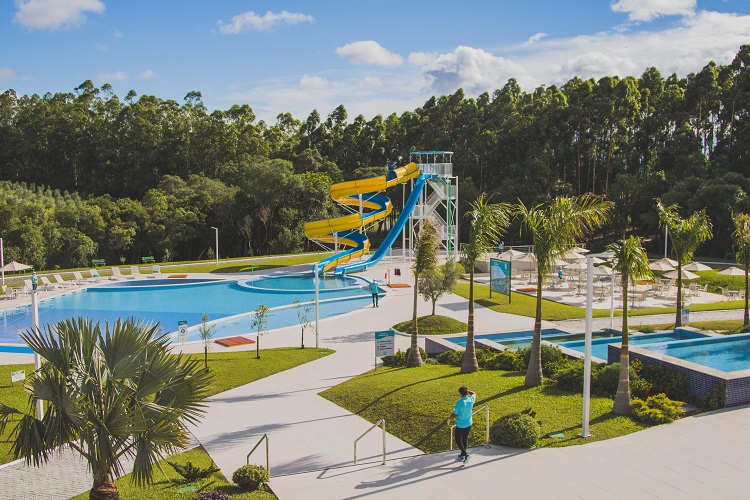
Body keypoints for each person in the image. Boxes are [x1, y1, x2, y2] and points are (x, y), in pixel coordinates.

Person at [447, 386, 476, 463]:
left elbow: (454, 414)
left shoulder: (459, 403)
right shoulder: (471, 399)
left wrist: (449, 419)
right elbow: (473, 393)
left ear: (460, 393)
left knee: (458, 440)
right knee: (464, 438)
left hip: (460, 425)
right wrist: (467, 391)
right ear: (466, 392)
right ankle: (462, 455)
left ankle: (466, 454)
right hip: (469, 424)